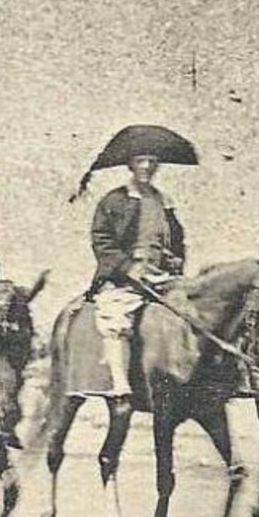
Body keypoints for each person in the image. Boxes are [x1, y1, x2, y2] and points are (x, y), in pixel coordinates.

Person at [87, 153, 187, 402]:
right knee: (117, 316)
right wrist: (127, 268)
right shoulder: (115, 200)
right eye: (141, 160)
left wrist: (175, 259)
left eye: (153, 161)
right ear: (130, 165)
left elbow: (177, 239)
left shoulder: (164, 201)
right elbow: (102, 240)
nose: (147, 166)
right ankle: (120, 384)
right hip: (126, 276)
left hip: (161, 274)